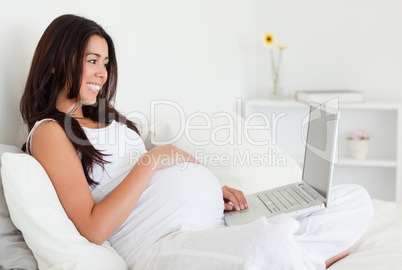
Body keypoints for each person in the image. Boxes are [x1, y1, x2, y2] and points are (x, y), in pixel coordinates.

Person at [20, 14, 372, 269]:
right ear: (55, 63)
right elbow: (93, 229)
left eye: (106, 63)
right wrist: (152, 160)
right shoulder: (51, 131)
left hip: (213, 222)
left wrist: (209, 190)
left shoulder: (106, 118)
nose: (102, 72)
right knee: (272, 238)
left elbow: (149, 185)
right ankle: (299, 257)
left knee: (353, 200)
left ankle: (291, 257)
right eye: (92, 61)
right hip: (162, 244)